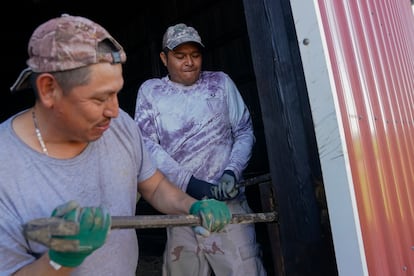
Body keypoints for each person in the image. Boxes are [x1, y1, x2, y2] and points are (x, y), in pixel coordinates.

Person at [0, 15, 232, 276]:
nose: (114, 110)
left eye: (116, 93)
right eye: (100, 98)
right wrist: (60, 259)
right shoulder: (6, 165)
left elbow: (153, 186)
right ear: (48, 89)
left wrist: (191, 206)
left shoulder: (120, 126)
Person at [134, 23, 266, 276]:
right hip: (182, 206)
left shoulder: (220, 83)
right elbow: (147, 145)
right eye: (180, 56)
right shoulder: (151, 91)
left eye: (195, 55)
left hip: (228, 205)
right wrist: (191, 184)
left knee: (243, 270)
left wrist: (231, 172)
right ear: (164, 58)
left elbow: (244, 131)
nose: (189, 62)